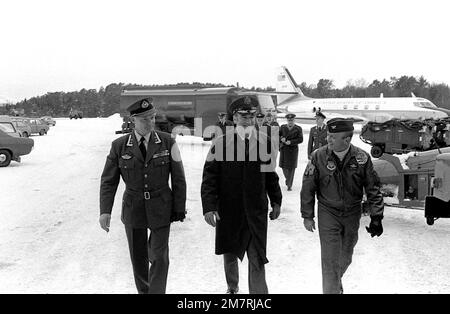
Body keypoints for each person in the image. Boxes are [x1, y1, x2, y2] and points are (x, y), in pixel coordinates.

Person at [99, 98, 187, 294]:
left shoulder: (167, 141)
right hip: (133, 208)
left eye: (153, 117)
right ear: (133, 120)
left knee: (159, 257)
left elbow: (179, 178)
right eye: (145, 119)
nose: (150, 122)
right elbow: (108, 181)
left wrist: (179, 208)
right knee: (138, 259)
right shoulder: (119, 146)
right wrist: (105, 211)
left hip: (161, 207)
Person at [201, 96, 282, 294]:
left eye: (252, 116)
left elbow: (270, 175)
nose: (248, 120)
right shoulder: (220, 143)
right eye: (243, 117)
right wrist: (209, 206)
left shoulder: (265, 141)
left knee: (257, 257)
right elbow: (209, 177)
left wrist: (276, 201)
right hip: (229, 210)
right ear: (234, 118)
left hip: (255, 210)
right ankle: (232, 288)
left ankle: (259, 295)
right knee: (229, 255)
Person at [300, 118, 384, 294]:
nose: (328, 139)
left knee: (345, 257)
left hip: (352, 213)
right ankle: (331, 290)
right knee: (330, 260)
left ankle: (334, 283)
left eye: (332, 136)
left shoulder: (362, 158)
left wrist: (377, 216)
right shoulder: (318, 156)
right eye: (328, 135)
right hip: (327, 212)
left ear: (346, 140)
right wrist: (307, 215)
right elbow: (308, 187)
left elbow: (373, 187)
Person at [279, 113, 303, 191]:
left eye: (291, 120)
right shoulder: (282, 127)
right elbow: (278, 135)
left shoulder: (298, 128)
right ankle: (287, 179)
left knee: (292, 168)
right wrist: (281, 138)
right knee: (283, 166)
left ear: (294, 120)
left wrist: (291, 142)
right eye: (289, 120)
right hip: (284, 149)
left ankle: (289, 184)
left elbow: (300, 139)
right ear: (287, 120)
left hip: (293, 150)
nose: (290, 122)